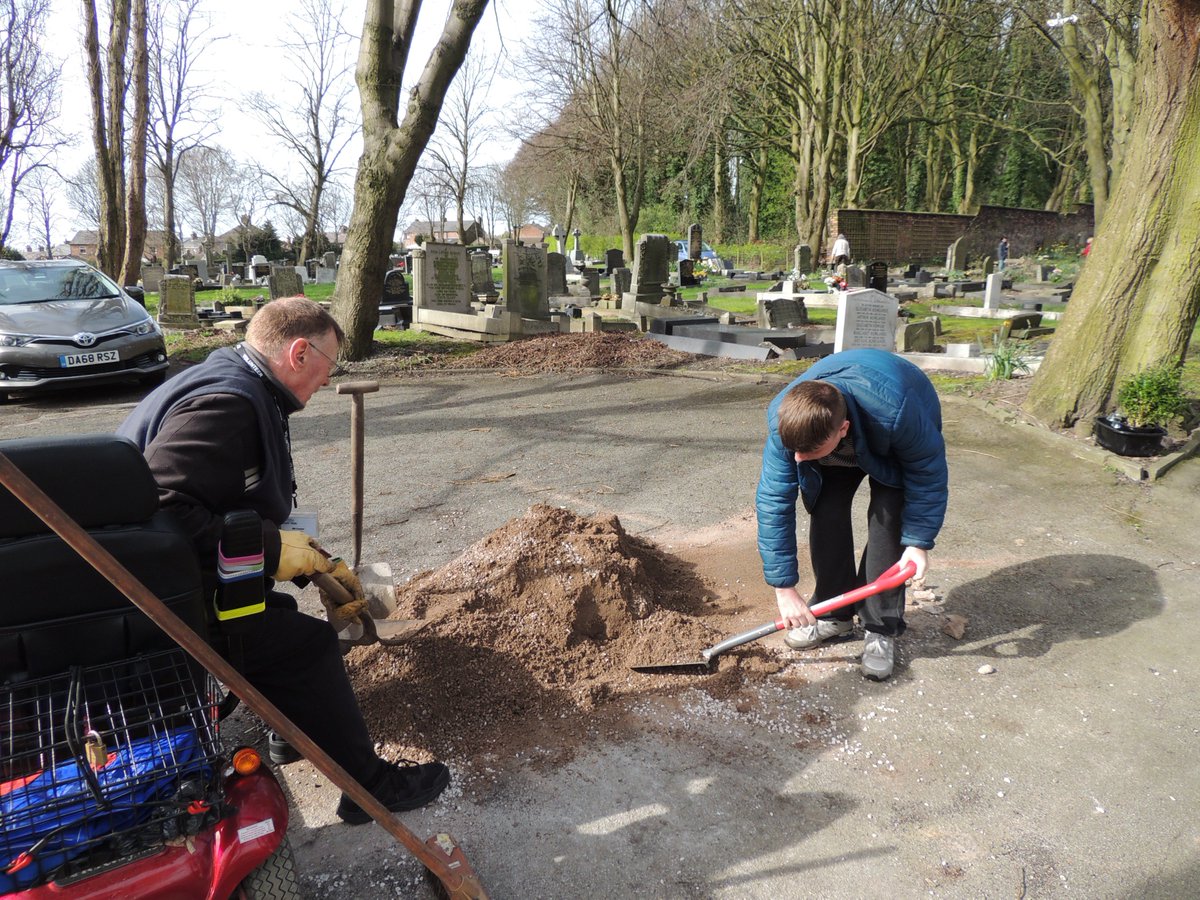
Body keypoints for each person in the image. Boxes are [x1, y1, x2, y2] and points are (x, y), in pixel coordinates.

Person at [118, 296, 450, 824]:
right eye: (328, 365)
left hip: (179, 579)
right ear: (300, 352)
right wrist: (274, 551)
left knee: (276, 616)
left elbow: (229, 494)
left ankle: (285, 736)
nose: (327, 380)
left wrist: (306, 551)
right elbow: (161, 508)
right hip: (155, 600)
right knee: (307, 647)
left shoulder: (238, 378)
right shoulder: (226, 403)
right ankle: (369, 786)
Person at [755, 348, 948, 681]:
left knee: (887, 523)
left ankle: (880, 627)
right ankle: (834, 613)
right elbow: (774, 502)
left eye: (808, 452)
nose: (798, 459)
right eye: (794, 451)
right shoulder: (783, 420)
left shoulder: (899, 414)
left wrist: (918, 543)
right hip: (843, 435)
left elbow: (927, 475)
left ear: (842, 429)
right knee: (826, 510)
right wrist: (783, 589)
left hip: (891, 436)